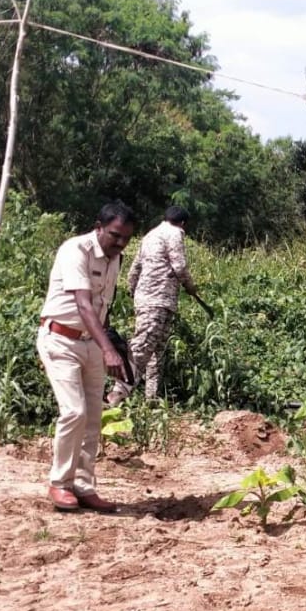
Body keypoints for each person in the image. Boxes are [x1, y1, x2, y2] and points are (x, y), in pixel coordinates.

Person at [37, 200, 137, 512]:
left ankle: (83, 485)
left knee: (93, 416)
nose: (120, 243)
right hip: (61, 340)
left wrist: (111, 345)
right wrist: (108, 350)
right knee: (74, 412)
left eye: (126, 238)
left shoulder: (115, 258)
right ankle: (60, 483)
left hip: (91, 342)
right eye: (115, 235)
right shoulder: (75, 250)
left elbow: (102, 306)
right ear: (98, 227)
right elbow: (83, 303)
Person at [106, 206, 200, 405]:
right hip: (158, 299)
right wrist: (190, 287)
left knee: (156, 350)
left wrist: (134, 291)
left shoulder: (150, 236)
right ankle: (117, 393)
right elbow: (179, 266)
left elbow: (135, 268)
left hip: (148, 299)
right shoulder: (175, 233)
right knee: (143, 346)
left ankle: (152, 399)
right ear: (183, 223)